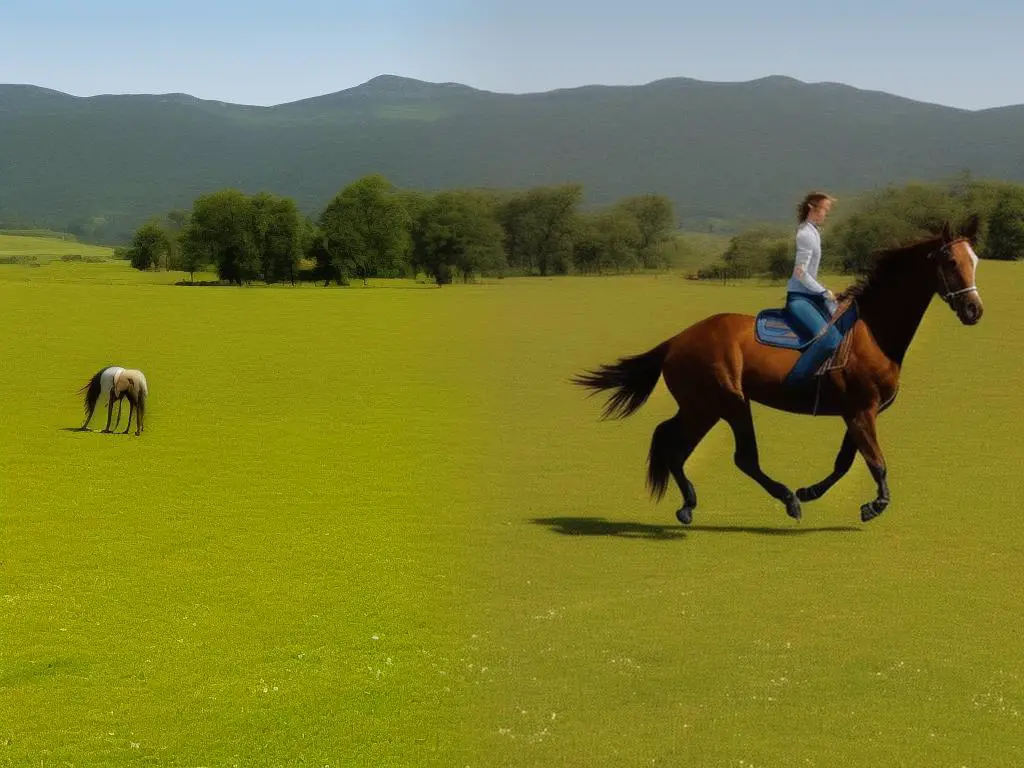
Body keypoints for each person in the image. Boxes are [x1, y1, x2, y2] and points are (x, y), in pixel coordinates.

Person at [786, 192, 841, 345]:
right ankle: (800, 370)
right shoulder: (806, 234)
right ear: (812, 208)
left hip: (812, 296)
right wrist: (823, 291)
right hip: (800, 298)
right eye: (825, 209)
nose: (826, 214)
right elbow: (800, 272)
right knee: (829, 339)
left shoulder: (813, 231)